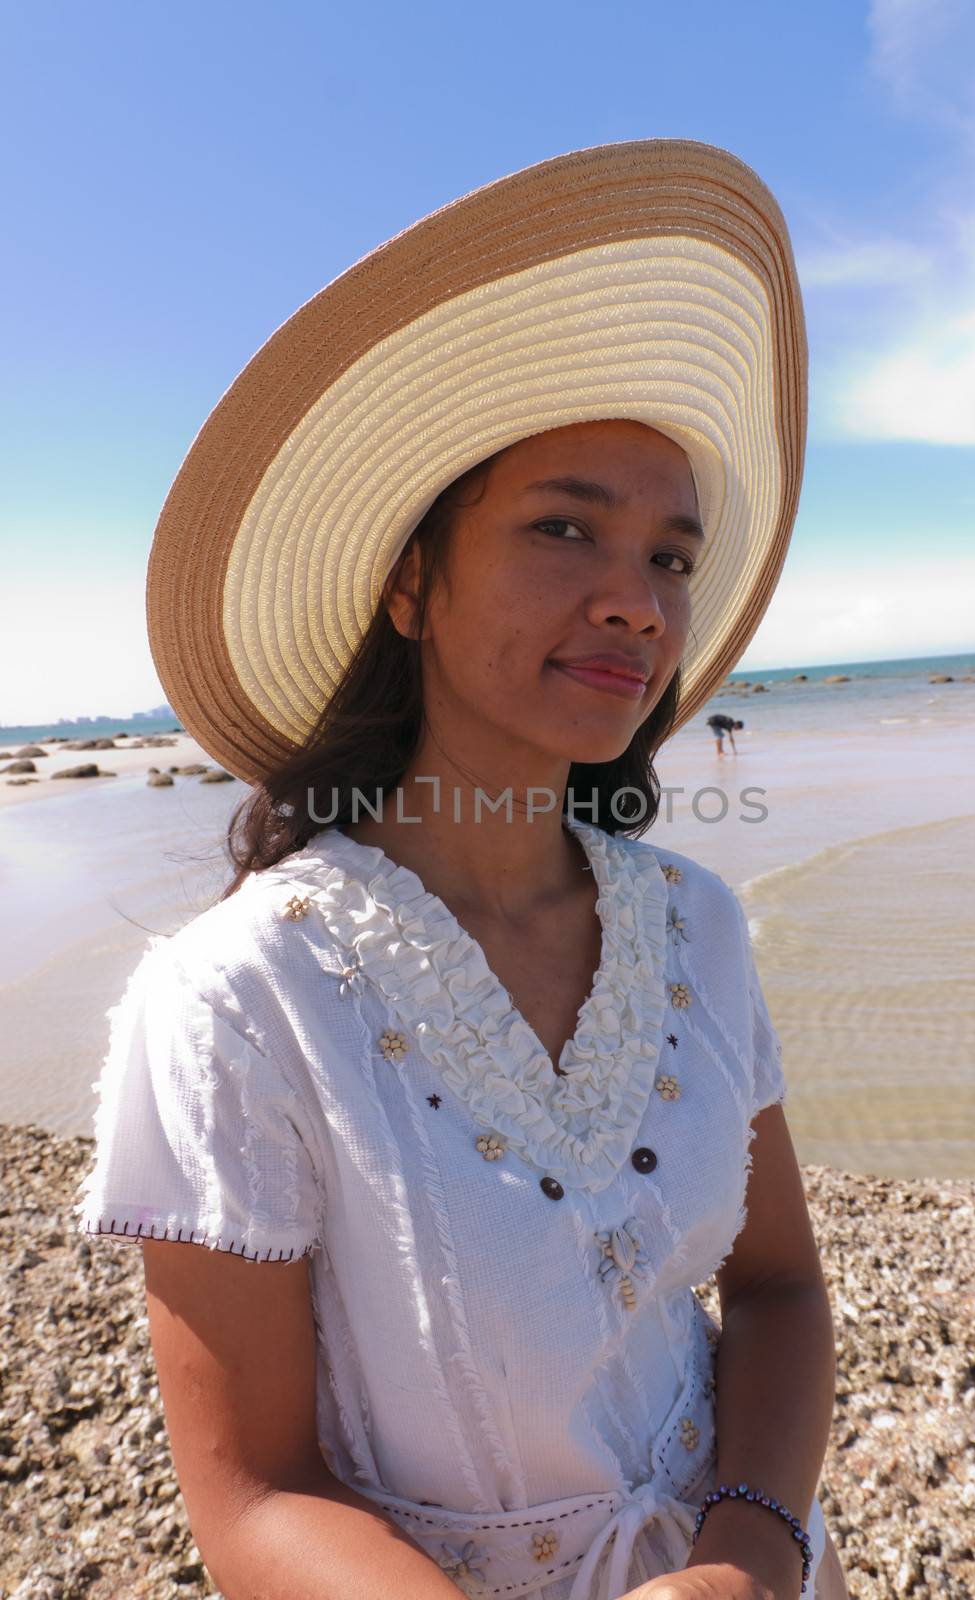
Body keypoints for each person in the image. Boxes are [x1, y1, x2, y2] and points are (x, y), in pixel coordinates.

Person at [74, 141, 849, 1600]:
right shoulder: (241, 1001)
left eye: (673, 558)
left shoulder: (697, 925)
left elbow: (779, 1286)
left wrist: (749, 1548)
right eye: (565, 527)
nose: (636, 597)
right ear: (412, 581)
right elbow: (251, 1498)